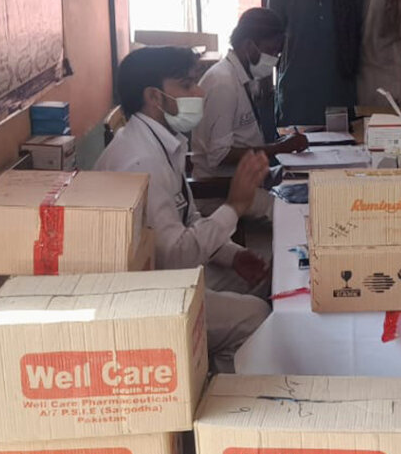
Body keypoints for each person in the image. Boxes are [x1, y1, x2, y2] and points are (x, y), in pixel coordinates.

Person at [95, 46, 272, 372]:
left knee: (267, 278)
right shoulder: (139, 162)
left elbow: (189, 219)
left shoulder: (160, 141)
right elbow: (174, 257)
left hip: (171, 273)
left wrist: (233, 255)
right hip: (150, 293)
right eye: (188, 85)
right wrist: (234, 206)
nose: (200, 92)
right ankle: (217, 390)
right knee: (256, 316)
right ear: (155, 97)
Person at [192, 8, 308, 185]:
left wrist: (281, 144)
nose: (273, 59)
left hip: (250, 178)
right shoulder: (223, 84)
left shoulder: (242, 77)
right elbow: (220, 155)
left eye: (276, 53)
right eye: (270, 51)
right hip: (223, 188)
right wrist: (279, 148)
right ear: (248, 45)